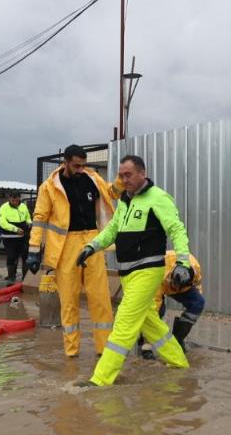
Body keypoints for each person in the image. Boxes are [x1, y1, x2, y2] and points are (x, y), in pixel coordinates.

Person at [75, 155, 191, 387]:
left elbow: (176, 229)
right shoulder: (125, 202)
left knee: (124, 324)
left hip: (148, 272)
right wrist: (92, 247)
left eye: (128, 175)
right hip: (128, 274)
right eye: (121, 175)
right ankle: (179, 364)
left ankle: (100, 379)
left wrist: (183, 263)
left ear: (142, 173)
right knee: (151, 324)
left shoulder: (158, 198)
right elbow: (112, 231)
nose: (123, 180)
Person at [25, 145, 118, 357]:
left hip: (93, 241)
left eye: (83, 165)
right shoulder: (49, 187)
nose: (80, 169)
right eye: (76, 165)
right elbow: (39, 219)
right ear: (65, 162)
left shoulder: (91, 177)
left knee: (101, 298)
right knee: (69, 300)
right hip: (66, 247)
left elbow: (110, 192)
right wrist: (33, 250)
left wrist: (122, 181)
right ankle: (71, 352)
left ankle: (104, 350)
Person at [139, 250, 204, 358]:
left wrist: (195, 296)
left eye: (178, 287)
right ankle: (144, 338)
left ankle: (177, 339)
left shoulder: (195, 268)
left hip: (180, 286)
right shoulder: (160, 272)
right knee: (158, 311)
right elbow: (153, 308)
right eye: (175, 286)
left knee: (198, 303)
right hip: (160, 284)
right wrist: (147, 346)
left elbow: (198, 285)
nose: (176, 289)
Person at [0, 191, 31, 283]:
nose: (14, 201)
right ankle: (11, 278)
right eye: (12, 199)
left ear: (19, 198)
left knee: (26, 256)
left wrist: (29, 223)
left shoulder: (23, 206)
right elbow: (2, 223)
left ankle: (25, 278)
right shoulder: (4, 208)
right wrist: (15, 229)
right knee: (12, 257)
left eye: (16, 199)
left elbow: (28, 217)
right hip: (10, 238)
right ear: (9, 198)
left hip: (23, 237)